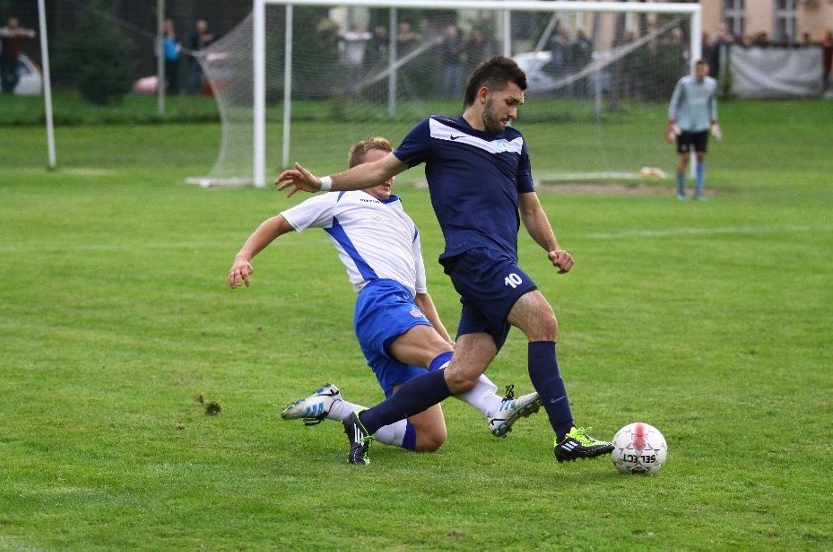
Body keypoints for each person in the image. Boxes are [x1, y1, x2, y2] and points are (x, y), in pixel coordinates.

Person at [275, 56, 614, 466]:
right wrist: (322, 183)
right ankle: (568, 435)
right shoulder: (437, 131)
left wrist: (552, 247)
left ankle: (365, 421)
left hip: (499, 260)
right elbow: (380, 168)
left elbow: (530, 207)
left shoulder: (516, 143)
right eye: (509, 102)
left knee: (460, 374)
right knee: (543, 321)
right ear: (484, 95)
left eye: (519, 105)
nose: (514, 112)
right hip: (474, 258)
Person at [229, 136, 543, 454]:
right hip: (380, 301)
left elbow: (421, 296)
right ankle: (495, 406)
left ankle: (333, 407)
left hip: (401, 310)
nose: (388, 173)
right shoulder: (339, 199)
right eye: (379, 167)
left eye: (391, 167)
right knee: (448, 363)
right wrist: (244, 256)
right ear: (359, 173)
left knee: (429, 437)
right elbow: (277, 222)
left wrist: (447, 340)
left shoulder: (407, 223)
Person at [666, 59, 721, 201]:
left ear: (707, 70)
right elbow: (674, 103)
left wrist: (714, 123)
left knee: (701, 156)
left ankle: (699, 191)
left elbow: (711, 104)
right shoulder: (684, 84)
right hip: (684, 126)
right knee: (685, 157)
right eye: (698, 70)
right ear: (694, 71)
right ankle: (680, 190)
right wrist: (672, 124)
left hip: (701, 126)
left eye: (703, 70)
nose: (701, 73)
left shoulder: (711, 84)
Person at [0, 16, 35, 94]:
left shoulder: (20, 31)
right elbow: (5, 34)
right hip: (4, 58)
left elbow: (32, 33)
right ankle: (4, 90)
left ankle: (9, 90)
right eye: (11, 22)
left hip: (15, 57)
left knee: (16, 76)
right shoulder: (4, 30)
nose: (13, 24)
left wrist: (22, 32)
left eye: (14, 23)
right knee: (4, 75)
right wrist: (16, 33)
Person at [186, 19, 215, 95]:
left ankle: (201, 92)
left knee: (203, 77)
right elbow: (191, 46)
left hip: (205, 59)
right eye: (200, 28)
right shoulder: (194, 35)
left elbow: (216, 36)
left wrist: (209, 38)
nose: (202, 30)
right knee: (195, 76)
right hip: (196, 59)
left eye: (203, 28)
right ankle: (192, 92)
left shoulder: (209, 34)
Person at [160, 19, 181, 95]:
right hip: (165, 59)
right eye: (166, 26)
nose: (168, 28)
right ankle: (162, 91)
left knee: (174, 76)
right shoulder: (162, 36)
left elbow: (178, 46)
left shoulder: (175, 36)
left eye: (169, 26)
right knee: (164, 76)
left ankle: (173, 91)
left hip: (174, 59)